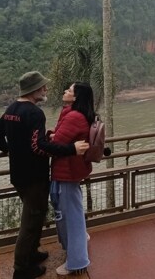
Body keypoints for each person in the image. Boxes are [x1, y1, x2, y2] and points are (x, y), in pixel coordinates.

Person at [0, 71, 89, 279]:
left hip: (18, 174)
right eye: (43, 87)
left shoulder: (11, 109)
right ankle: (21, 268)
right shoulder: (34, 113)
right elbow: (38, 146)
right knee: (30, 222)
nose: (46, 90)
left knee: (35, 216)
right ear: (34, 90)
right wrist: (71, 149)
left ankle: (32, 254)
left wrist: (10, 150)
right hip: (34, 176)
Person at [49, 82, 95, 276]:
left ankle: (77, 262)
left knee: (72, 217)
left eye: (69, 90)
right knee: (73, 211)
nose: (65, 91)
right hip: (70, 171)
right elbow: (60, 137)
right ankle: (78, 244)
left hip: (67, 171)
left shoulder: (75, 116)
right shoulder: (75, 113)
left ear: (76, 97)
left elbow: (56, 142)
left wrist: (48, 136)